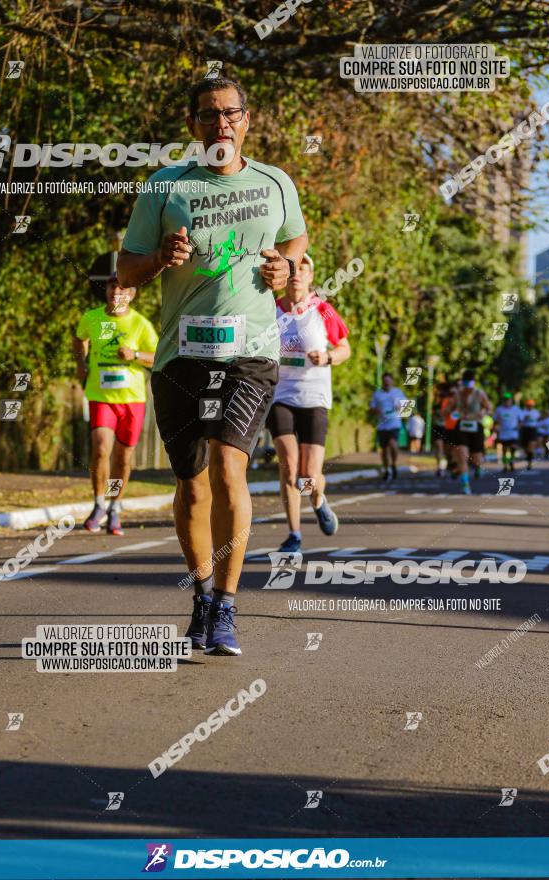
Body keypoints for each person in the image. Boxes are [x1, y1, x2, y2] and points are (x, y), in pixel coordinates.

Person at [117, 77, 307, 655]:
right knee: (191, 484)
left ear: (248, 119)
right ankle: (201, 591)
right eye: (208, 115)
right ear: (191, 124)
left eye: (231, 113)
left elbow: (296, 248)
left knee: (229, 468)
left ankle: (226, 605)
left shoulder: (275, 182)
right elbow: (125, 271)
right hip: (179, 354)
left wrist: (287, 273)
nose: (220, 122)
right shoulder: (164, 187)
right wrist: (157, 259)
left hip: (250, 351)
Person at [266, 253, 350, 552]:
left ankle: (318, 499)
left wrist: (328, 357)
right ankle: (294, 535)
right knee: (289, 469)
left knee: (308, 476)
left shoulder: (323, 311)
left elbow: (344, 348)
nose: (297, 274)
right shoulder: (271, 310)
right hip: (281, 396)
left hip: (314, 397)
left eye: (303, 269)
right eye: (293, 268)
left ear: (311, 277)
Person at [73, 274, 159, 535]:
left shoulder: (140, 324)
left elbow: (157, 357)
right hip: (101, 396)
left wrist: (135, 355)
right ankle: (99, 504)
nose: (116, 291)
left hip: (132, 400)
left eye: (122, 288)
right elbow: (79, 339)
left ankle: (115, 506)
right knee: (100, 448)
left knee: (123, 458)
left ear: (131, 294)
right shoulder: (92, 318)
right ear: (106, 290)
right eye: (112, 286)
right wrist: (81, 363)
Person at [443, 369, 491, 494]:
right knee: (462, 455)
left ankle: (478, 466)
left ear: (473, 382)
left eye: (470, 382)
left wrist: (483, 412)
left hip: (476, 425)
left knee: (476, 458)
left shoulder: (480, 393)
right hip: (462, 426)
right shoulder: (457, 394)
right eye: (466, 382)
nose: (468, 385)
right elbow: (448, 409)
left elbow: (489, 408)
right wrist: (448, 412)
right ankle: (465, 483)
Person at [370, 373, 406, 480]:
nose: (386, 383)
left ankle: (394, 464)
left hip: (395, 422)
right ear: (382, 382)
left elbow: (406, 406)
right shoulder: (377, 394)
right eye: (384, 381)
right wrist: (377, 411)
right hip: (382, 425)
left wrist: (400, 407)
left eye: (388, 380)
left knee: (393, 444)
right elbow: (372, 407)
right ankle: (386, 469)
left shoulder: (398, 392)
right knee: (384, 450)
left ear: (392, 381)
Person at [493, 392, 521, 473]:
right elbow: (495, 420)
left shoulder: (516, 409)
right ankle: (505, 465)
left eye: (508, 400)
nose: (507, 401)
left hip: (513, 432)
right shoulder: (499, 409)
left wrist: (518, 427)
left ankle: (512, 462)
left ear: (511, 400)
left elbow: (520, 420)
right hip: (503, 433)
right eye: (505, 400)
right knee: (504, 450)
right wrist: (495, 429)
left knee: (513, 447)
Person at [520, 399, 540, 469]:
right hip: (525, 430)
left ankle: (529, 463)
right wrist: (525, 419)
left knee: (531, 446)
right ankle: (529, 456)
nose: (530, 407)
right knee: (525, 447)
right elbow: (520, 421)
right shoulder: (523, 412)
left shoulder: (536, 412)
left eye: (531, 405)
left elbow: (538, 420)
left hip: (533, 430)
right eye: (528, 405)